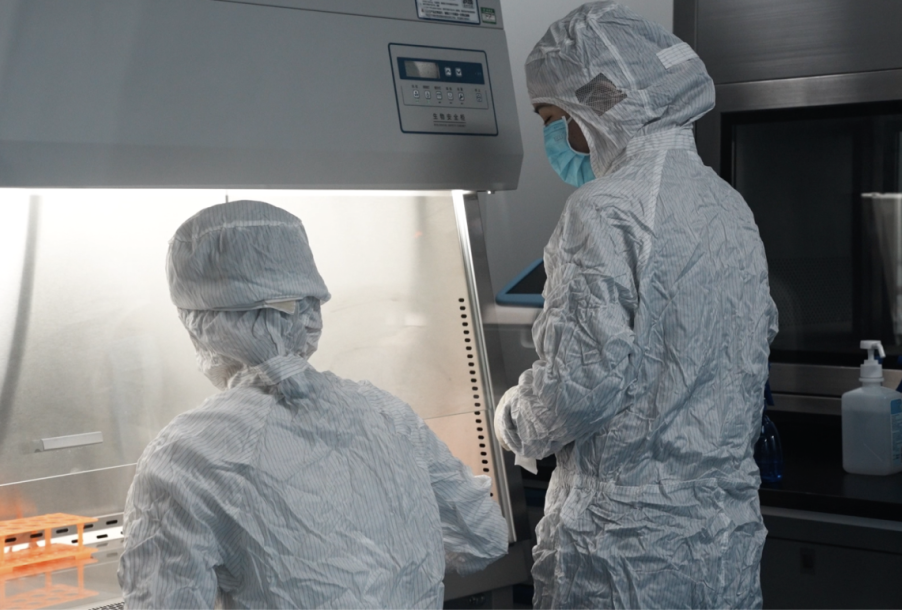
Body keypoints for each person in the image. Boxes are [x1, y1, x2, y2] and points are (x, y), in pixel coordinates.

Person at [493, 2, 777, 609]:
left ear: (595, 102)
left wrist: (512, 418)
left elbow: (579, 389)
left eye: (553, 117)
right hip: (721, 537)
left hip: (626, 550)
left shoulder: (603, 210)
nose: (555, 136)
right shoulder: (729, 206)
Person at [118, 200, 508, 609]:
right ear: (310, 310)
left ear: (202, 324)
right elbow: (484, 538)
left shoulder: (183, 456)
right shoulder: (385, 412)